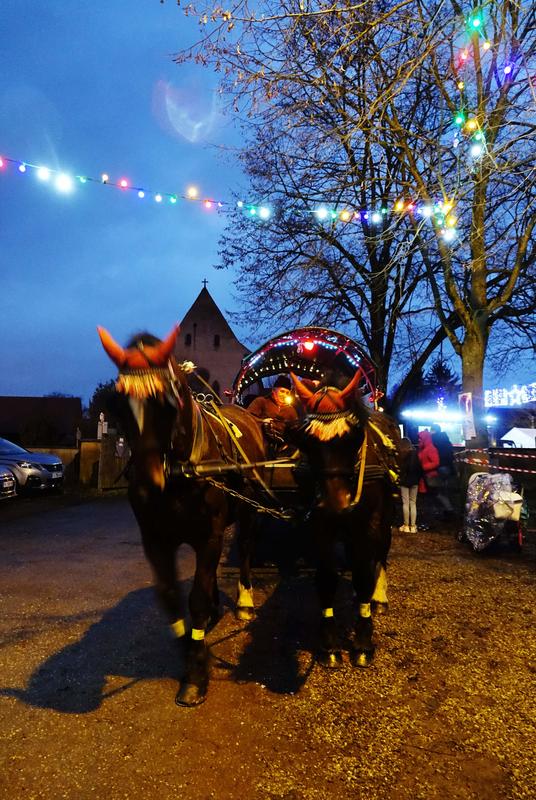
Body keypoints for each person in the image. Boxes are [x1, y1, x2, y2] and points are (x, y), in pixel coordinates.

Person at [430, 424, 455, 517]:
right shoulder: (446, 440)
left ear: (433, 430)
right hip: (448, 468)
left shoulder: (433, 440)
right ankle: (447, 510)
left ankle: (448, 510)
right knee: (444, 490)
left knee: (437, 492)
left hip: (439, 467)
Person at [398, 437, 422, 533]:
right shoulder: (415, 454)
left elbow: (400, 469)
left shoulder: (401, 455)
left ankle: (406, 525)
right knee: (413, 503)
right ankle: (413, 526)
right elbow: (420, 469)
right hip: (414, 481)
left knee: (405, 503)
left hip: (404, 482)